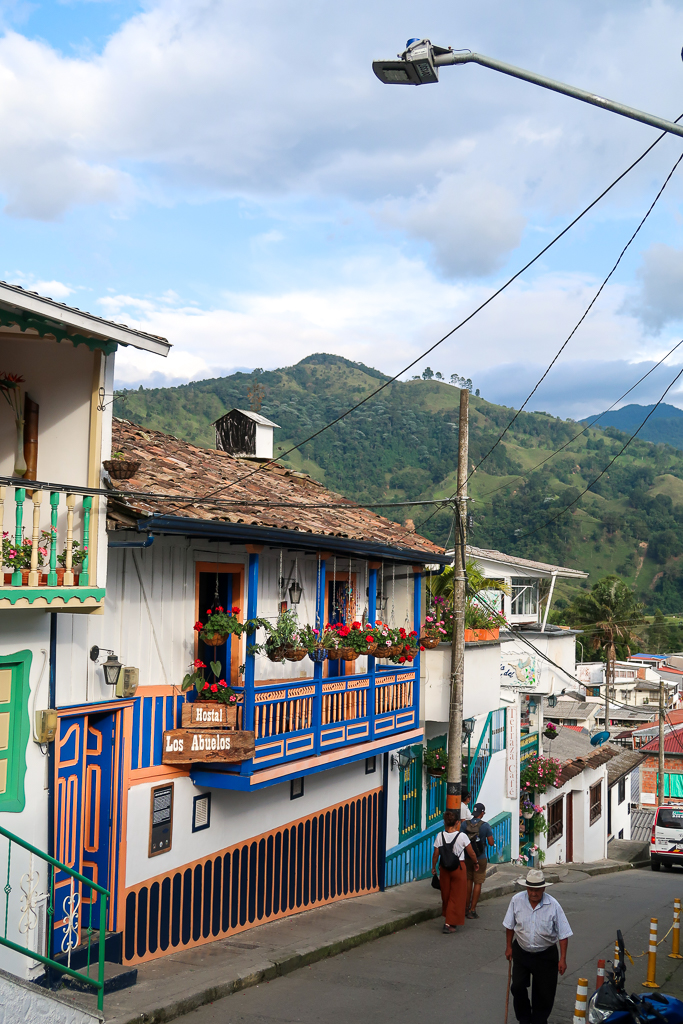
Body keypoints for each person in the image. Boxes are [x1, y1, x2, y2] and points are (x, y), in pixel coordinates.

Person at [503, 869, 572, 1024]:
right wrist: (508, 947)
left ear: (543, 889)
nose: (533, 893)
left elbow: (563, 934)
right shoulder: (516, 900)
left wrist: (563, 959)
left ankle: (538, 1021)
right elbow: (509, 925)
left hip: (546, 955)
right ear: (526, 888)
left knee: (544, 993)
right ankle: (524, 1018)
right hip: (521, 951)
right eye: (531, 889)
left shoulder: (553, 905)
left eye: (537, 890)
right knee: (517, 986)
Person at [431, 810, 478, 933]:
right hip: (459, 867)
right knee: (457, 895)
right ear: (457, 822)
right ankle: (449, 923)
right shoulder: (462, 836)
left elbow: (436, 854)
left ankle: (448, 918)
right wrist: (475, 862)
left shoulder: (439, 836)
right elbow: (471, 852)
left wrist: (433, 867)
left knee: (446, 894)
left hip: (444, 868)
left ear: (444, 822)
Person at [460, 802, 494, 919]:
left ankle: (465, 907)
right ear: (482, 813)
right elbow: (491, 842)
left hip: (467, 856)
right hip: (480, 857)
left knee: (468, 881)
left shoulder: (464, 824)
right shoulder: (485, 826)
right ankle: (472, 910)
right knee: (478, 882)